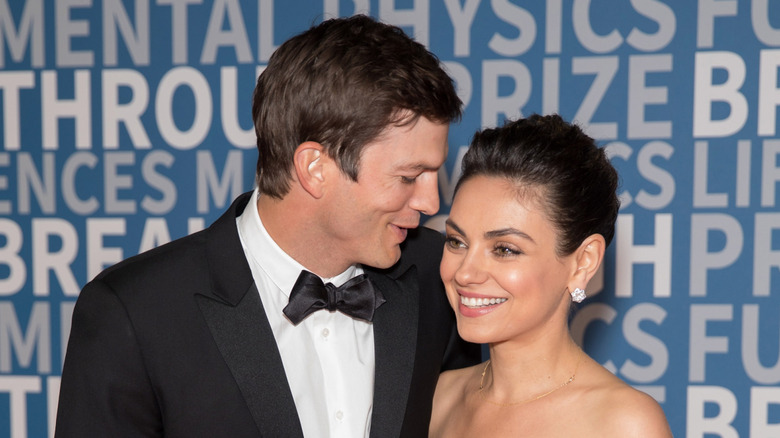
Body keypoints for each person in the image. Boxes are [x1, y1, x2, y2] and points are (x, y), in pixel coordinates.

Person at [55, 15, 480, 438]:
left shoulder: (441, 277)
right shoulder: (134, 313)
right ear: (315, 168)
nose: (430, 203)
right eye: (408, 177)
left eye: (434, 174)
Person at [429, 114, 673, 437]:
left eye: (504, 249)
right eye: (456, 241)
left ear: (583, 262)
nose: (464, 273)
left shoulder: (623, 423)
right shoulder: (439, 398)